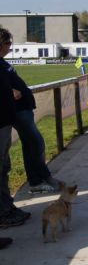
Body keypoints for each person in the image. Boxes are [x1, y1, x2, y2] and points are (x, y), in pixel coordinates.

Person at [0, 28, 61, 194]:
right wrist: (11, 92)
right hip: (15, 111)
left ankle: (40, 178)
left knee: (33, 144)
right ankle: (37, 180)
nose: (10, 47)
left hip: (21, 110)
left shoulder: (3, 62)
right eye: (8, 43)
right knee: (35, 143)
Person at [0, 40, 30, 233]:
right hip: (1, 121)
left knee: (4, 167)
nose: (9, 48)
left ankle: (7, 206)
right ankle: (4, 212)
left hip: (4, 121)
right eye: (7, 44)